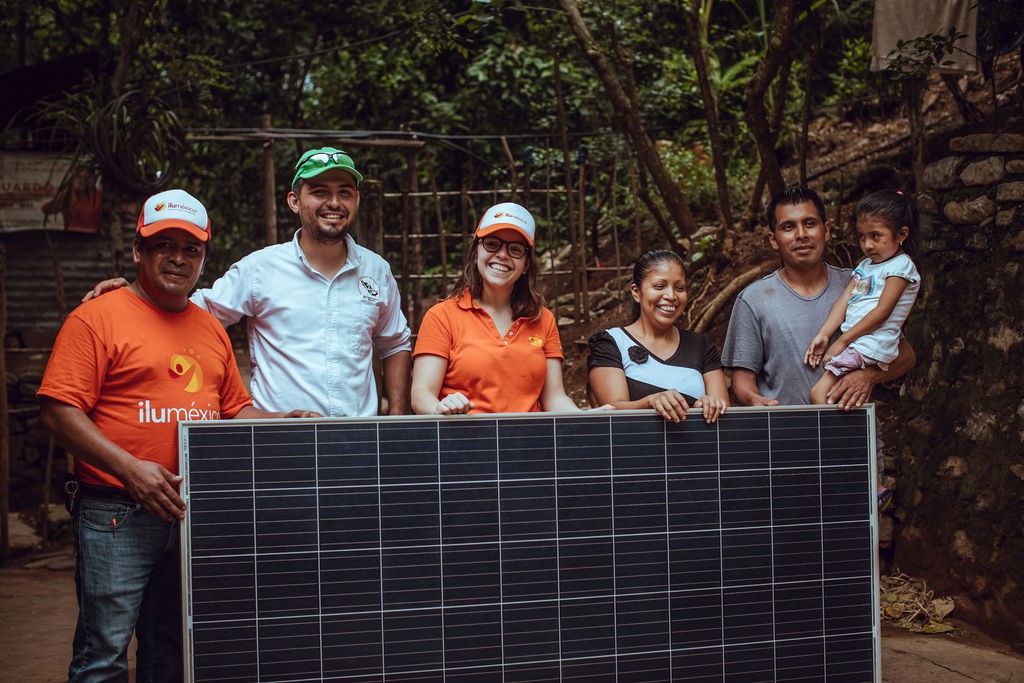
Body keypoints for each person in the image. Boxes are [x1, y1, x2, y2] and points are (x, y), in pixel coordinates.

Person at [38, 189, 317, 682]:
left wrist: (282, 422)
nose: (178, 258)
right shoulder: (95, 318)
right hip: (115, 512)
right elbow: (60, 410)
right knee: (103, 652)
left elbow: (233, 411)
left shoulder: (210, 328)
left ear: (204, 257)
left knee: (171, 652)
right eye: (164, 244)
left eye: (191, 248)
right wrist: (130, 470)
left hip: (190, 514)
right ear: (137, 251)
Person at [84, 147, 412, 417]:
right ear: (294, 201)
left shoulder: (376, 271)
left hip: (358, 444)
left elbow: (394, 342)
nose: (334, 203)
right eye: (319, 192)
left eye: (345, 193)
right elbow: (193, 312)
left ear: (356, 200)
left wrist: (396, 420)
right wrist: (132, 296)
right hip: (280, 443)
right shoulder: (260, 269)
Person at [721, 184, 916, 410]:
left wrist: (867, 376)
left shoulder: (862, 284)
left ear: (827, 230)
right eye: (788, 227)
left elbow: (906, 355)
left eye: (810, 224)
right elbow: (742, 382)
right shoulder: (753, 299)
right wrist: (755, 400)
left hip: (854, 438)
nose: (801, 235)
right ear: (773, 239)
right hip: (788, 438)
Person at [411, 202, 582, 414]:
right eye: (492, 244)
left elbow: (554, 398)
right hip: (464, 440)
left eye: (515, 249)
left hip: (529, 442)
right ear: (475, 253)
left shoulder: (543, 319)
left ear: (526, 265)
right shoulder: (441, 317)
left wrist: (584, 420)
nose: (502, 254)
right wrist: (440, 407)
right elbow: (421, 394)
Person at [805, 190, 921, 405]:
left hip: (871, 345)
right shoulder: (866, 266)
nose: (867, 245)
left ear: (902, 234)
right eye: (862, 236)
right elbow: (843, 302)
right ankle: (848, 437)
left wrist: (841, 341)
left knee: (819, 395)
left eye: (875, 236)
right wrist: (824, 334)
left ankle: (834, 438)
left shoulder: (900, 266)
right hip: (859, 343)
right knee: (848, 401)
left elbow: (883, 311)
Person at [588, 249, 728, 424]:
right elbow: (611, 409)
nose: (671, 296)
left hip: (697, 450)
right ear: (636, 292)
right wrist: (650, 401)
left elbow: (724, 409)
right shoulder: (611, 343)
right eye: (659, 286)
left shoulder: (702, 344)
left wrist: (711, 404)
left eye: (679, 288)